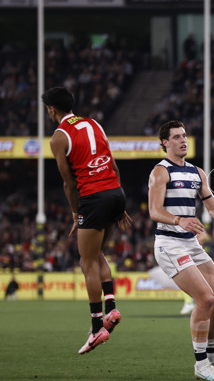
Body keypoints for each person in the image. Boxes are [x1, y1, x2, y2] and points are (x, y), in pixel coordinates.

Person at [42, 86, 132, 355]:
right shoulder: (94, 123)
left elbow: (69, 184)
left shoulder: (59, 137)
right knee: (97, 253)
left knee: (86, 261)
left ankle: (96, 329)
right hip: (116, 192)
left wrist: (74, 214)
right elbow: (112, 164)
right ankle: (111, 308)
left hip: (94, 197)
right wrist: (121, 204)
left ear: (52, 110)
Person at [148, 120, 214, 381]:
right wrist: (179, 220)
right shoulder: (160, 172)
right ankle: (200, 366)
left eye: (184, 136)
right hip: (169, 244)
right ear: (165, 142)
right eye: (176, 137)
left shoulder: (197, 172)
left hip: (190, 243)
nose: (183, 140)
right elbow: (154, 211)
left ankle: (212, 359)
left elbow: (211, 205)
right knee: (205, 299)